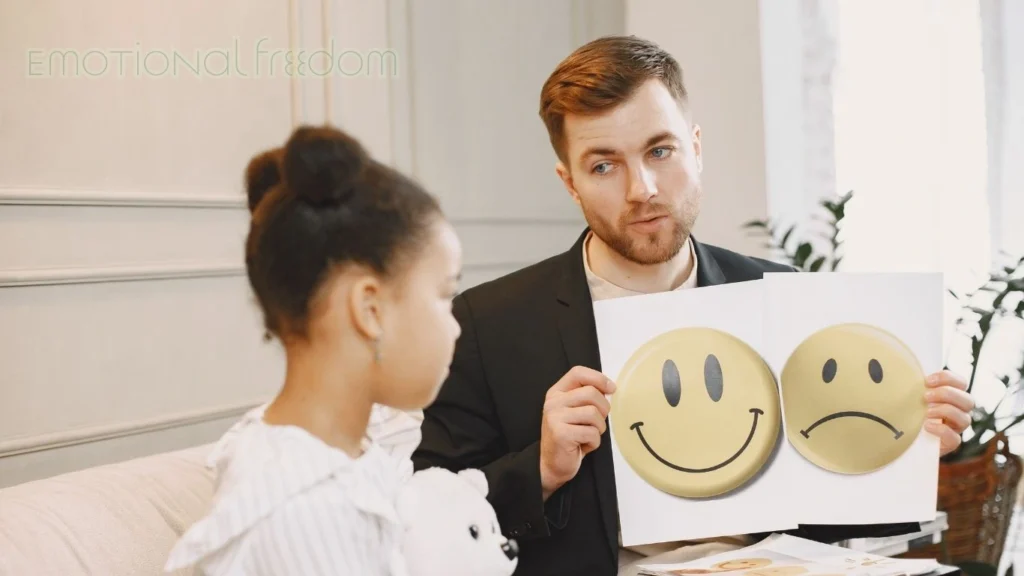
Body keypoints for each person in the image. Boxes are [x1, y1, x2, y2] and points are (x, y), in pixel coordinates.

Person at [411, 35, 975, 576]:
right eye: (604, 165)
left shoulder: (780, 295)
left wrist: (914, 446)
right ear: (570, 182)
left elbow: (836, 514)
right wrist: (540, 471)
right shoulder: (488, 325)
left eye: (661, 150)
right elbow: (421, 527)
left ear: (696, 148)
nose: (643, 189)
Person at [164, 125, 463, 575]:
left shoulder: (354, 455)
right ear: (370, 308)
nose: (455, 328)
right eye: (445, 296)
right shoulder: (308, 508)